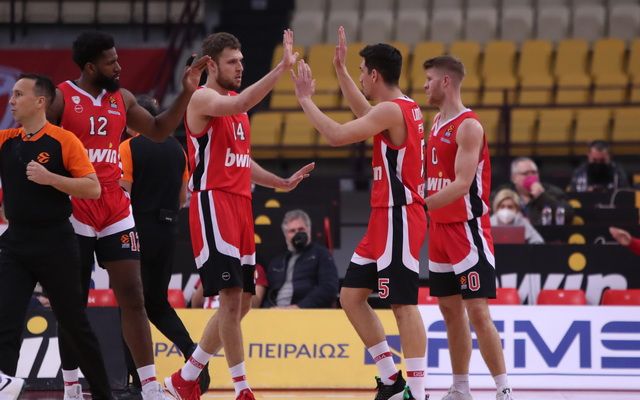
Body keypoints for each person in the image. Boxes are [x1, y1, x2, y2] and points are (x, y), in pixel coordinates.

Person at [45, 31, 208, 400]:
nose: (119, 66)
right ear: (90, 67)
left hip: (115, 208)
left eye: (118, 59)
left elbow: (160, 130)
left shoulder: (123, 98)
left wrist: (186, 92)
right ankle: (71, 386)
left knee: (134, 296)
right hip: (75, 207)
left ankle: (149, 386)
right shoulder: (61, 97)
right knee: (72, 303)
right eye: (111, 61)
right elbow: (39, 143)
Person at [164, 30, 313, 400]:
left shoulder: (235, 107)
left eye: (242, 61)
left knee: (244, 301)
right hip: (213, 203)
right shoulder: (203, 98)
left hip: (240, 205)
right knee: (231, 299)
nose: (240, 67)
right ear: (212, 66)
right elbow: (245, 100)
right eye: (232, 62)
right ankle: (242, 389)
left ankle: (186, 377)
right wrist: (281, 68)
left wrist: (280, 182)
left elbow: (242, 162)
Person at [292, 26, 428, 400]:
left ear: (375, 75)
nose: (362, 78)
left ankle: (418, 392)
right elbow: (365, 113)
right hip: (384, 217)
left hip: (399, 215)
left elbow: (337, 135)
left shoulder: (392, 110)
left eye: (362, 71)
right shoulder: (399, 107)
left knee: (403, 304)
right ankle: (391, 378)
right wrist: (340, 71)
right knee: (351, 296)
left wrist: (305, 100)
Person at [0, 74, 112, 400]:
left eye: (18, 94)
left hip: (56, 242)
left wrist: (50, 178)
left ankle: (104, 394)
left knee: (74, 325)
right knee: (5, 321)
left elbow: (93, 188)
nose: (11, 100)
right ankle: (5, 388)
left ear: (40, 102)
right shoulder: (7, 140)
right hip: (16, 242)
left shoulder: (64, 141)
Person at [422, 55, 514, 400]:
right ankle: (460, 387)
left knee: (477, 311)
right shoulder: (435, 122)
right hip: (439, 229)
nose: (425, 86)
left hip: (466, 229)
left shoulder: (469, 126)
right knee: (449, 312)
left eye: (429, 79)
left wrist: (419, 206)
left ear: (445, 82)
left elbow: (462, 184)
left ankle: (504, 388)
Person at [118, 94, 209, 397]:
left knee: (130, 307)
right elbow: (183, 198)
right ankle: (192, 352)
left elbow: (123, 194)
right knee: (157, 303)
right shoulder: (177, 150)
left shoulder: (128, 148)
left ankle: (135, 383)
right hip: (168, 231)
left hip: (137, 230)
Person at [262, 209, 339, 308]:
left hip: (306, 313)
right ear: (286, 235)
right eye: (292, 231)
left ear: (309, 230)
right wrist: (269, 309)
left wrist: (299, 307)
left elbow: (329, 288)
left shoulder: (321, 254)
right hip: (274, 313)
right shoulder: (276, 262)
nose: (297, 234)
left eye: (301, 229)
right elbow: (266, 295)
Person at [498, 157, 573, 226]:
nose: (531, 177)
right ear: (513, 178)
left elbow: (568, 215)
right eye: (525, 173)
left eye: (534, 173)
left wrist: (542, 196)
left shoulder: (554, 192)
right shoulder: (503, 194)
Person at [191, 264, 268, 309]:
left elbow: (255, 304)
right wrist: (209, 272)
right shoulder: (210, 267)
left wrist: (239, 276)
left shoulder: (255, 269)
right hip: (208, 314)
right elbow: (195, 305)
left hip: (240, 316)